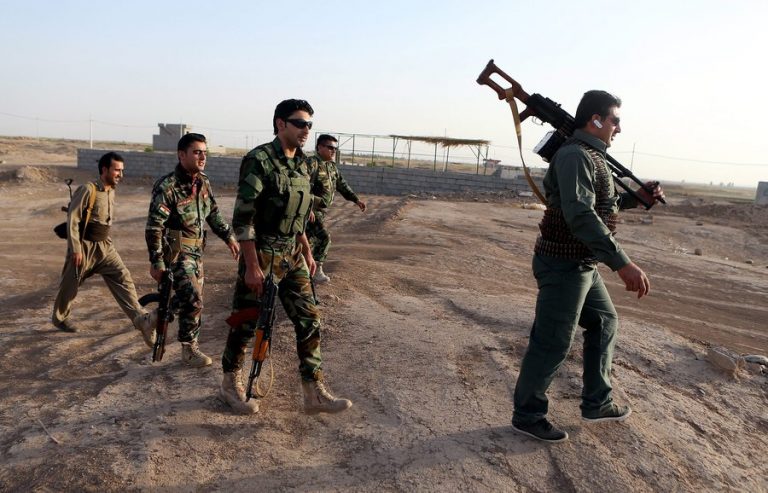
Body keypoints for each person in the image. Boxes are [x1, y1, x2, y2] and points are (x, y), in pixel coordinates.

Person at [511, 90, 665, 443]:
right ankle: (527, 415)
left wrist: (636, 199)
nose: (618, 128)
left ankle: (598, 402)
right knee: (553, 340)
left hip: (581, 262)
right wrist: (622, 264)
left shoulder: (592, 156)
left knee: (604, 321)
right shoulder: (574, 156)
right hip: (563, 263)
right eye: (615, 120)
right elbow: (580, 214)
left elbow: (602, 205)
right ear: (595, 120)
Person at [218, 99, 352, 415]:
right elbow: (243, 219)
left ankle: (313, 391)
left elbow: (299, 214)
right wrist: (252, 266)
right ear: (281, 124)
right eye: (300, 123)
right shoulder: (259, 160)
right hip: (262, 252)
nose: (306, 130)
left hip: (292, 253)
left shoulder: (303, 164)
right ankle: (230, 382)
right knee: (247, 321)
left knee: (309, 318)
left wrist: (306, 250)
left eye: (309, 125)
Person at [145, 133, 240, 367]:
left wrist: (228, 236)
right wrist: (156, 261)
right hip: (176, 253)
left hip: (197, 252)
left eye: (204, 152)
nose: (202, 157)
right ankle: (187, 347)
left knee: (193, 301)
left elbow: (213, 213)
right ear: (182, 155)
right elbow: (154, 227)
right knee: (194, 299)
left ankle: (156, 320)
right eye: (197, 152)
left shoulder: (203, 182)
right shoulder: (168, 187)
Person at [52, 152, 156, 347]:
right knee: (70, 286)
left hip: (105, 247)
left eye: (122, 171)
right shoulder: (88, 189)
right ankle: (59, 318)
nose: (120, 175)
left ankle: (142, 320)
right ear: (104, 169)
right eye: (117, 170)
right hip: (84, 247)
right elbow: (73, 219)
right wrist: (75, 249)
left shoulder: (111, 190)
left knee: (123, 276)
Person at [305, 134, 366, 283]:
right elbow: (302, 188)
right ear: (320, 147)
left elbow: (342, 185)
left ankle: (302, 271)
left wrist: (356, 199)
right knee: (324, 237)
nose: (333, 151)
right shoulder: (311, 164)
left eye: (335, 149)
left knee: (309, 241)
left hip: (321, 212)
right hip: (310, 211)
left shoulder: (331, 167)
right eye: (330, 148)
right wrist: (307, 208)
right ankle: (317, 271)